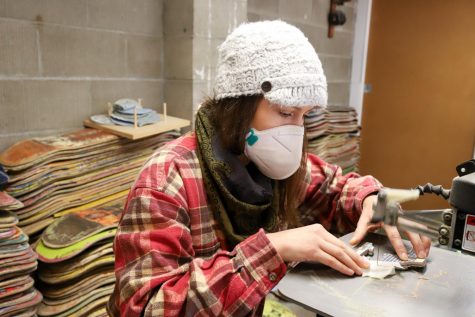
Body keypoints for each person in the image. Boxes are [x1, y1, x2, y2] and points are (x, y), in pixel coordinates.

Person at [107, 20, 431, 317]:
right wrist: (271, 249)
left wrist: (379, 203)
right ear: (238, 107)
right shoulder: (167, 180)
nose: (296, 130)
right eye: (286, 112)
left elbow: (336, 187)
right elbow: (141, 307)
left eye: (305, 115)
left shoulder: (268, 163)